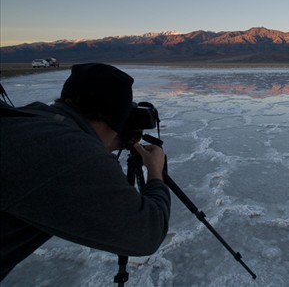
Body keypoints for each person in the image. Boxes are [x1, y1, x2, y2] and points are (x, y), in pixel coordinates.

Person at [0, 63, 171, 281]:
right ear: (114, 118)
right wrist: (155, 172)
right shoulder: (69, 152)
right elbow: (148, 233)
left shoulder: (31, 118)